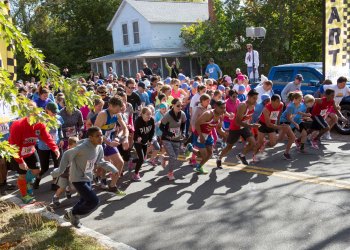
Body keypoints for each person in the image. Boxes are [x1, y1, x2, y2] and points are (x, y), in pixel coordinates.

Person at [52, 127, 118, 228]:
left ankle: (70, 215)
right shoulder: (82, 147)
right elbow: (66, 154)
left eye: (101, 135)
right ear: (90, 137)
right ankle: (73, 214)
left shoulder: (99, 147)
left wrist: (113, 169)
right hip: (77, 178)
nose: (100, 138)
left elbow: (100, 161)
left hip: (87, 177)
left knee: (84, 199)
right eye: (97, 136)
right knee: (93, 201)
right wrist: (58, 171)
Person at [7, 102, 60, 204]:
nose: (35, 117)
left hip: (30, 151)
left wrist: (55, 148)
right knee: (22, 174)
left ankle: (26, 182)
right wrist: (20, 161)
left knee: (37, 170)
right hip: (16, 153)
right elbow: (14, 146)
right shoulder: (17, 125)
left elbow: (46, 137)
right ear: (27, 114)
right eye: (31, 114)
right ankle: (24, 195)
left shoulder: (39, 124)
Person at [94, 97, 129, 195]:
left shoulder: (117, 114)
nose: (119, 111)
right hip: (97, 142)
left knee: (120, 162)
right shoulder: (103, 115)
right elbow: (95, 133)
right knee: (105, 164)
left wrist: (123, 138)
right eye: (118, 108)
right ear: (111, 106)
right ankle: (97, 175)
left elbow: (125, 128)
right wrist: (109, 143)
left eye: (120, 108)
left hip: (108, 140)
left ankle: (112, 186)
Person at [217, 90, 260, 167]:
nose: (255, 100)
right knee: (229, 146)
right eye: (254, 98)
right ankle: (219, 158)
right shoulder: (243, 105)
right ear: (249, 97)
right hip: (235, 127)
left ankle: (242, 155)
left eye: (256, 98)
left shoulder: (253, 105)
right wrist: (251, 126)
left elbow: (248, 117)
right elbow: (237, 122)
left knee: (253, 143)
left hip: (245, 127)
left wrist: (250, 125)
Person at [254, 94, 295, 160]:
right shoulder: (266, 108)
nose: (279, 102)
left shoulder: (281, 105)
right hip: (263, 124)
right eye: (277, 101)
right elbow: (268, 124)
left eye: (280, 101)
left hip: (272, 124)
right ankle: (255, 155)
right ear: (272, 101)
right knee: (259, 142)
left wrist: (278, 124)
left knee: (273, 144)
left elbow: (279, 115)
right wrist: (280, 127)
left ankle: (265, 143)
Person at [34, 102, 63, 190]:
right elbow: (37, 134)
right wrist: (46, 140)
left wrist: (61, 139)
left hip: (56, 144)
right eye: (53, 112)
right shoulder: (41, 120)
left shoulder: (58, 118)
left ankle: (54, 183)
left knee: (57, 165)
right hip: (44, 146)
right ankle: (37, 179)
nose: (55, 113)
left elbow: (60, 129)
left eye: (56, 112)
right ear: (47, 110)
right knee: (44, 167)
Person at [192, 100, 227, 173]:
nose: (223, 110)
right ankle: (190, 148)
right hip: (199, 134)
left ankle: (199, 167)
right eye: (221, 108)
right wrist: (201, 136)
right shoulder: (208, 114)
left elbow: (219, 128)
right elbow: (197, 124)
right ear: (215, 107)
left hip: (208, 135)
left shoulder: (221, 115)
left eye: (224, 108)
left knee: (209, 154)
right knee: (203, 155)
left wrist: (225, 134)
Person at [160, 98, 187, 180]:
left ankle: (164, 158)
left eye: (181, 106)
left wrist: (183, 133)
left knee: (175, 157)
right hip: (167, 139)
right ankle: (170, 173)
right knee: (173, 156)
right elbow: (161, 126)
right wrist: (169, 133)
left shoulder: (182, 114)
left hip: (177, 138)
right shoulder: (168, 115)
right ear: (173, 105)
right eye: (178, 106)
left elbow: (183, 123)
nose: (180, 107)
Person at [51, 136, 79, 207]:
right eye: (75, 146)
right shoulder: (66, 154)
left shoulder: (78, 153)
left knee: (73, 187)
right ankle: (56, 197)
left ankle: (68, 189)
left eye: (78, 146)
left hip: (72, 173)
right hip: (64, 173)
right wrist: (55, 173)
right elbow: (61, 166)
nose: (77, 148)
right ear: (69, 146)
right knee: (62, 187)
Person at [130, 107, 155, 181]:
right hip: (137, 142)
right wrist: (137, 137)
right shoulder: (138, 121)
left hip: (145, 141)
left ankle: (132, 161)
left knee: (143, 159)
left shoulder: (151, 120)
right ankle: (135, 174)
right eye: (147, 114)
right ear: (142, 114)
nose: (149, 116)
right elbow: (135, 132)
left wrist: (150, 140)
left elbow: (152, 131)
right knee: (141, 158)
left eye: (150, 114)